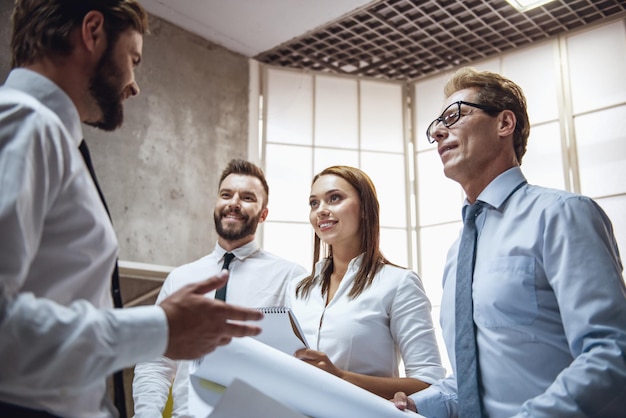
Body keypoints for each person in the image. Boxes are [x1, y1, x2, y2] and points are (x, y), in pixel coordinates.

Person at [0, 2, 263, 417]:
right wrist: (159, 328)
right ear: (92, 31)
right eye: (133, 59)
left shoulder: (51, 138)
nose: (134, 84)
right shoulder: (23, 124)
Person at [392, 67, 626, 417]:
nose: (439, 131)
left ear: (504, 124)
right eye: (436, 125)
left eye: (455, 115)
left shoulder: (562, 215)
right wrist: (416, 405)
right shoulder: (458, 251)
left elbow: (612, 349)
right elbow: (471, 382)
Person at [132, 158, 307, 417]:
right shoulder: (180, 278)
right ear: (217, 203)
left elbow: (302, 362)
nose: (234, 203)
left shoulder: (291, 276)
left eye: (247, 197)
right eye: (226, 194)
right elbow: (155, 359)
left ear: (264, 214)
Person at [287, 165, 446, 400]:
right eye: (314, 203)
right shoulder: (298, 288)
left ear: (364, 208)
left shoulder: (399, 283)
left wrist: (340, 378)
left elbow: (429, 383)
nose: (321, 210)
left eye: (334, 198)